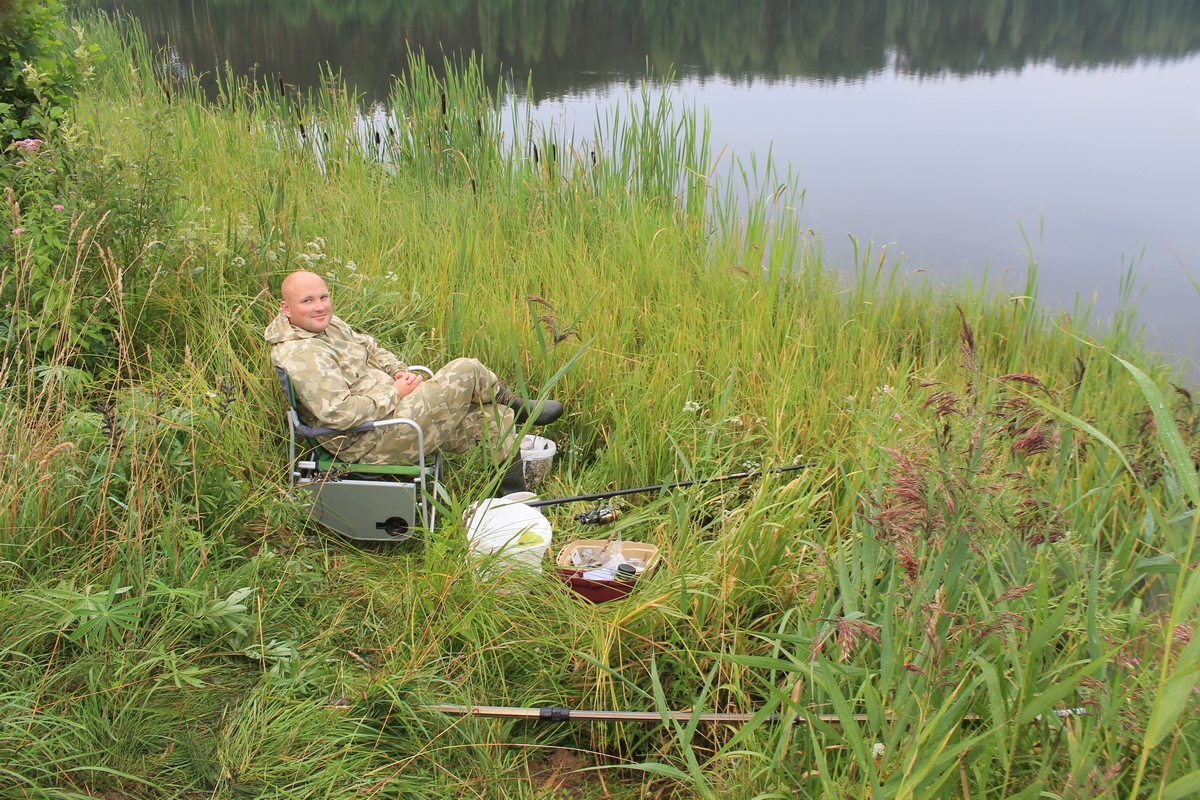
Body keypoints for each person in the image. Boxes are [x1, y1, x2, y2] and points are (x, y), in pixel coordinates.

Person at [265, 270, 562, 495]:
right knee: (467, 370)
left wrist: (398, 372)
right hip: (367, 439)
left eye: (323, 297)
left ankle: (512, 500)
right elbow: (339, 414)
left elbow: (370, 347)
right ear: (287, 308)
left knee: (496, 417)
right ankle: (514, 403)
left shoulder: (328, 325)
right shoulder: (302, 354)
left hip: (392, 415)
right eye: (307, 301)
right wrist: (395, 393)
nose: (320, 307)